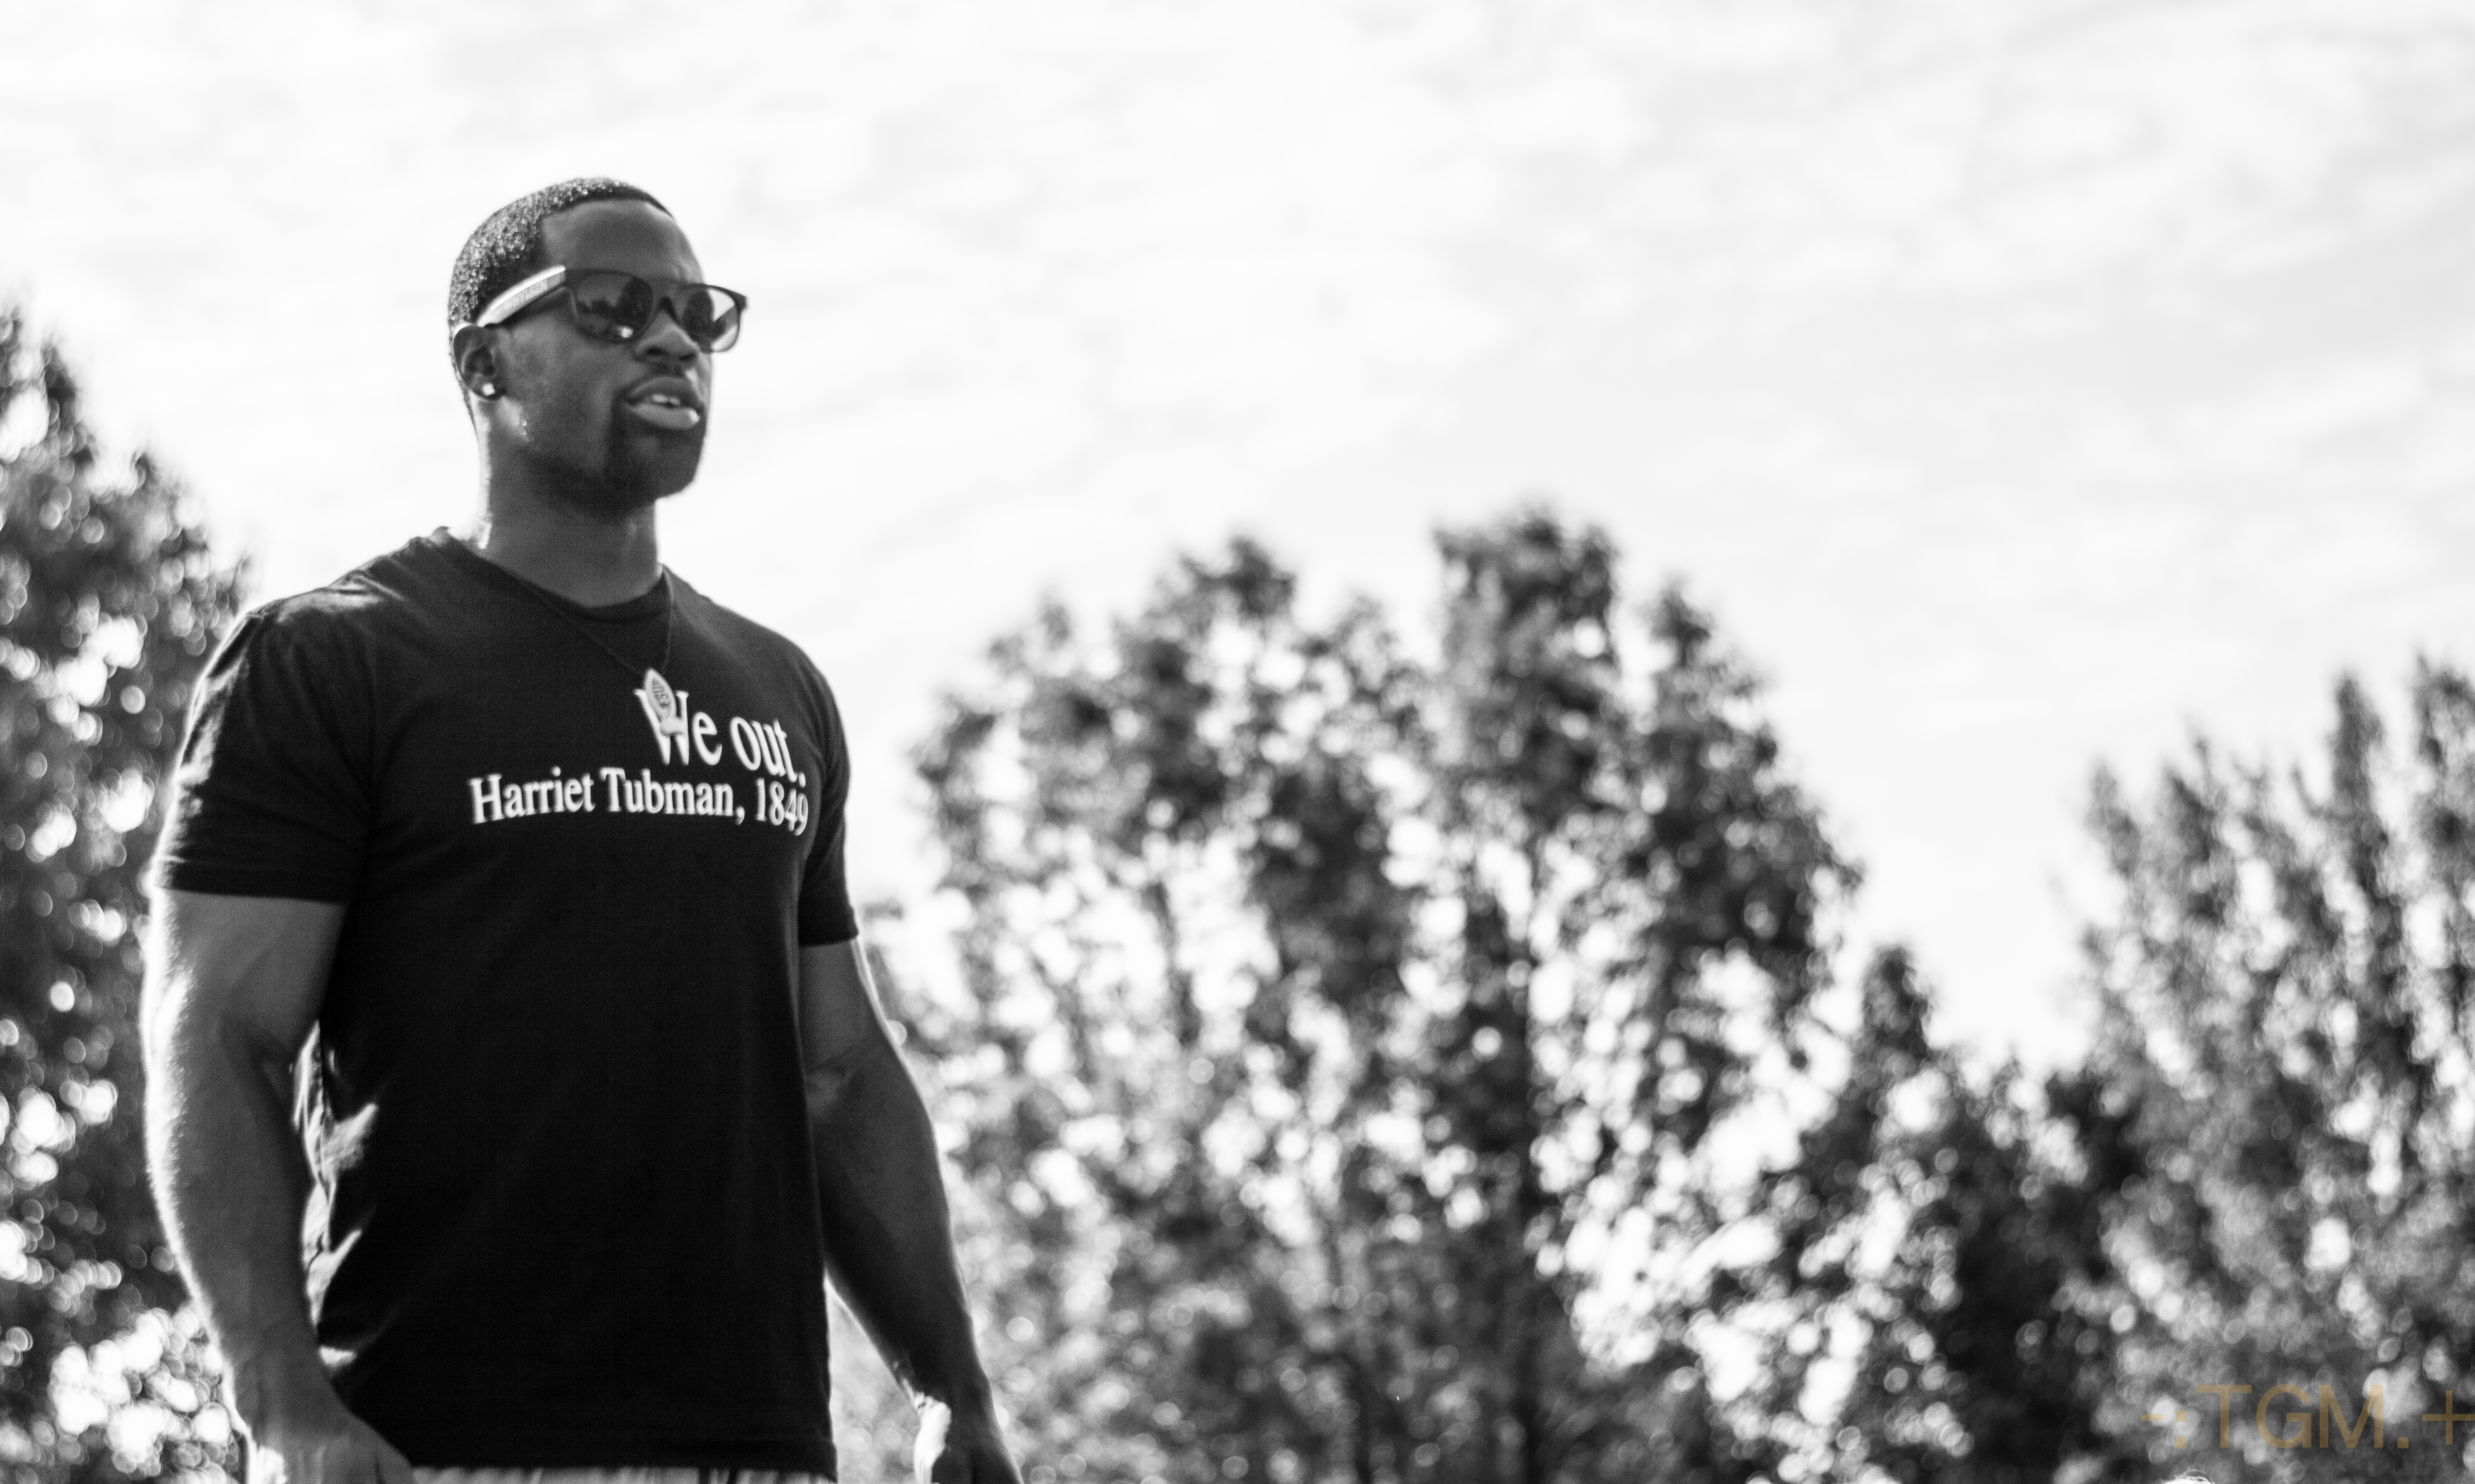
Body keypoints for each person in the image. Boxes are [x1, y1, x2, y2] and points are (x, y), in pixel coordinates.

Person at [140, 178, 1023, 1484]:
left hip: (761, 1453)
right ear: (485, 364)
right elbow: (219, 1036)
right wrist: (285, 1406)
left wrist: (953, 1389)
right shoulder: (332, 660)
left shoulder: (777, 689)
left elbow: (838, 1075)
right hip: (434, 1447)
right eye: (611, 305)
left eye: (697, 315)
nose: (669, 340)